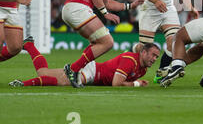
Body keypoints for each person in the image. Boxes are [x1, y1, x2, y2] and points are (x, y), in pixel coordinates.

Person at [62, 0, 145, 88]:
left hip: (70, 9)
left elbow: (106, 2)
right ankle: (73, 69)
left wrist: (131, 5)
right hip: (78, 8)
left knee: (97, 43)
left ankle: (77, 72)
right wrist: (105, 13)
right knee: (107, 42)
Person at [9, 37, 160, 87]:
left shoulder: (143, 68)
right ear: (144, 52)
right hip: (92, 72)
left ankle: (29, 45)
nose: (154, 59)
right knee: (63, 82)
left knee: (43, 72)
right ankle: (23, 84)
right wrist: (136, 84)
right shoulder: (130, 60)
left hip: (93, 71)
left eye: (156, 57)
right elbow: (116, 83)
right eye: (152, 55)